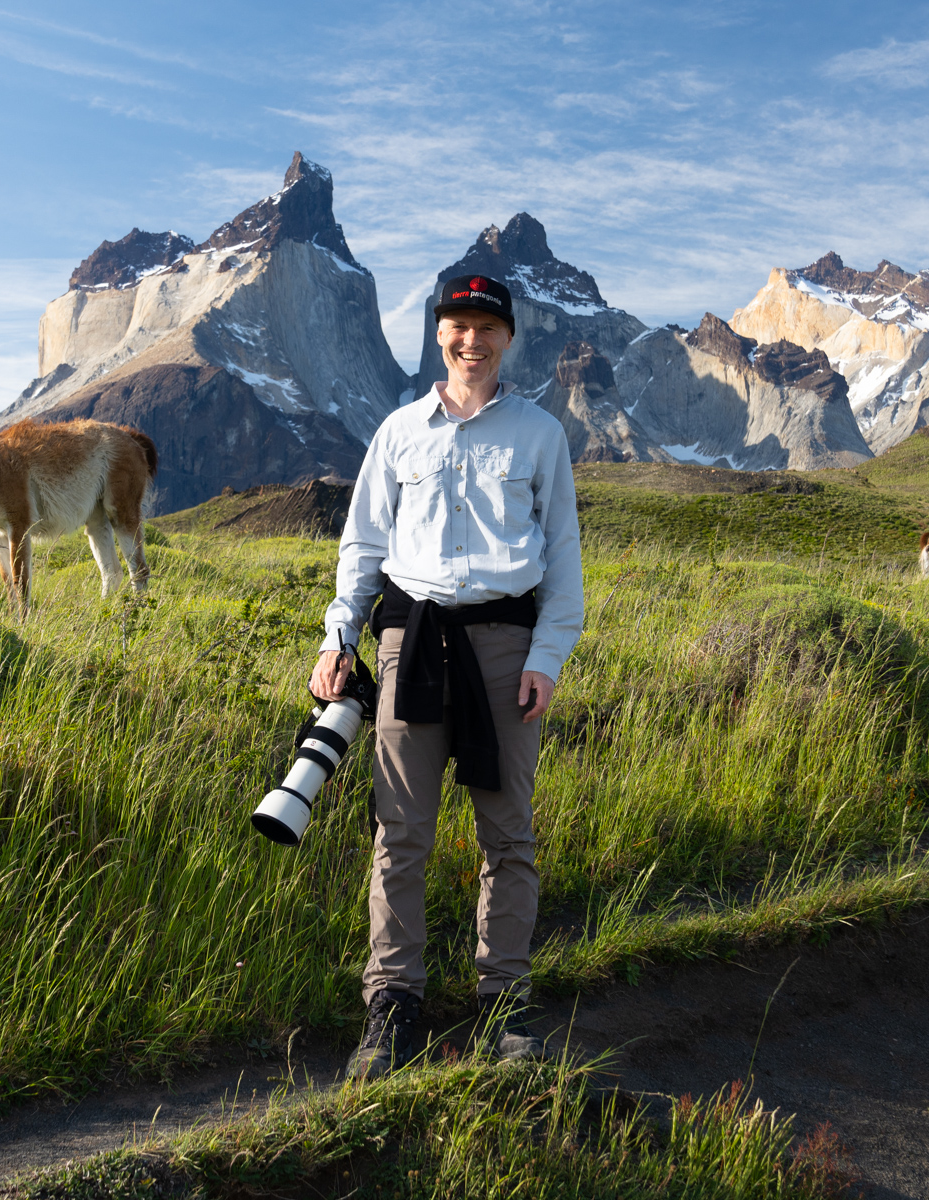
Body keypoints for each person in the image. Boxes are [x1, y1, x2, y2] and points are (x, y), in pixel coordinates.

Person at [311, 273, 584, 1081]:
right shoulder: (398, 433)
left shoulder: (539, 435)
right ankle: (392, 1004)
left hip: (506, 648)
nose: (473, 339)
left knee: (509, 832)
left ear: (508, 337)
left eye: (487, 326)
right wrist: (338, 639)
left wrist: (546, 659)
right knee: (400, 832)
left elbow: (563, 559)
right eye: (459, 325)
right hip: (410, 643)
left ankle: (505, 1002)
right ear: (439, 334)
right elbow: (362, 547)